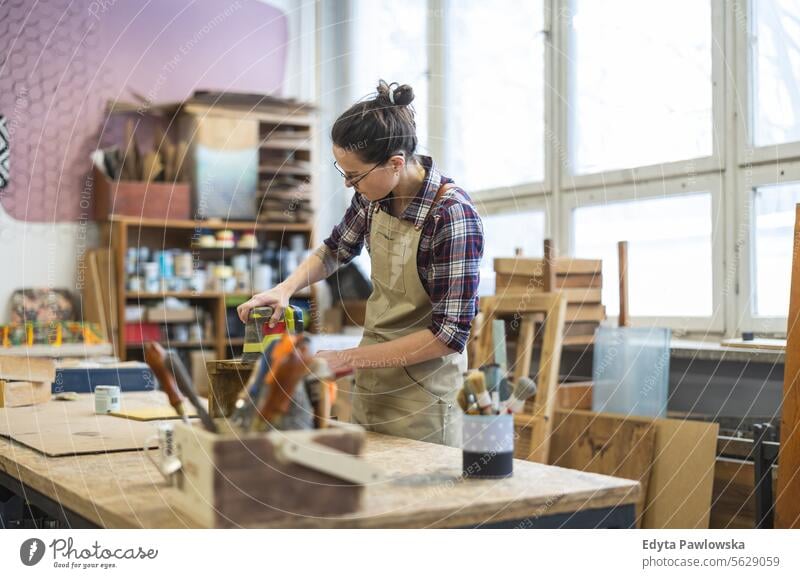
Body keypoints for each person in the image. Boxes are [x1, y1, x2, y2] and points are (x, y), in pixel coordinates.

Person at [238, 80, 483, 446]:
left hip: (424, 401)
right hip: (372, 386)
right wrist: (283, 289)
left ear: (395, 163)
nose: (350, 185)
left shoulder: (451, 216)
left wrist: (348, 358)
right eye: (343, 173)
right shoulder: (374, 198)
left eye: (354, 175)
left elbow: (448, 336)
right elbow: (335, 250)